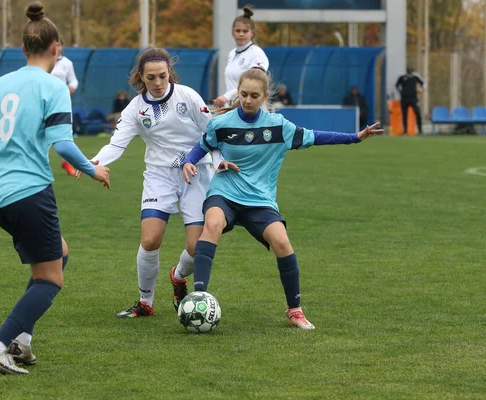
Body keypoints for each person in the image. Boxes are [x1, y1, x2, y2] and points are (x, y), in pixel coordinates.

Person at [0, 2, 110, 375]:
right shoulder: (53, 87)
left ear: (24, 49)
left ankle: (22, 340)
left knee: (60, 253)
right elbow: (63, 144)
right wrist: (94, 169)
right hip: (29, 193)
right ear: (57, 48)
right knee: (51, 278)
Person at [182, 68, 382, 330]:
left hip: (260, 200)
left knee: (282, 241)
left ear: (265, 96)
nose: (247, 100)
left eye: (254, 95)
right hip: (225, 192)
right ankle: (200, 297)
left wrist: (354, 138)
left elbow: (316, 136)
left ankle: (295, 310)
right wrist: (188, 162)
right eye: (243, 94)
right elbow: (203, 146)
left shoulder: (278, 126)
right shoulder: (222, 124)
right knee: (212, 225)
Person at [84, 47, 214, 318]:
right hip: (159, 175)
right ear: (140, 77)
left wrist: (219, 159)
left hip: (196, 172)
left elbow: (211, 133)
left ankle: (178, 277)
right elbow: (116, 144)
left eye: (162, 76)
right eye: (150, 77)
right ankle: (146, 302)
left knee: (195, 247)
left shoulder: (188, 96)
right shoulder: (135, 108)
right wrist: (93, 162)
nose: (157, 83)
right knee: (151, 239)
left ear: (170, 73)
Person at [213, 5, 269, 109]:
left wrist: (226, 96)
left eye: (245, 31)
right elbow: (232, 85)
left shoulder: (257, 53)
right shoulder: (232, 53)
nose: (241, 34)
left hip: (252, 109)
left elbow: (254, 82)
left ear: (252, 33)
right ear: (232, 32)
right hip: (234, 107)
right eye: (238, 31)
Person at [51, 37, 80, 175]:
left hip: (62, 101)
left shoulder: (67, 63)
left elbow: (74, 80)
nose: (56, 47)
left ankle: (66, 162)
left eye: (59, 45)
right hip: (46, 100)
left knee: (65, 130)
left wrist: (71, 87)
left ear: (62, 46)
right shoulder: (44, 62)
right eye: (54, 44)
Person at [396, 67, 424, 135]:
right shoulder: (402, 78)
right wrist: (401, 92)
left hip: (413, 98)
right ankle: (405, 130)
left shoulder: (415, 77)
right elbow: (397, 85)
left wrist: (420, 89)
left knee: (417, 113)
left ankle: (420, 130)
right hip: (404, 99)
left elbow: (423, 84)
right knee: (404, 114)